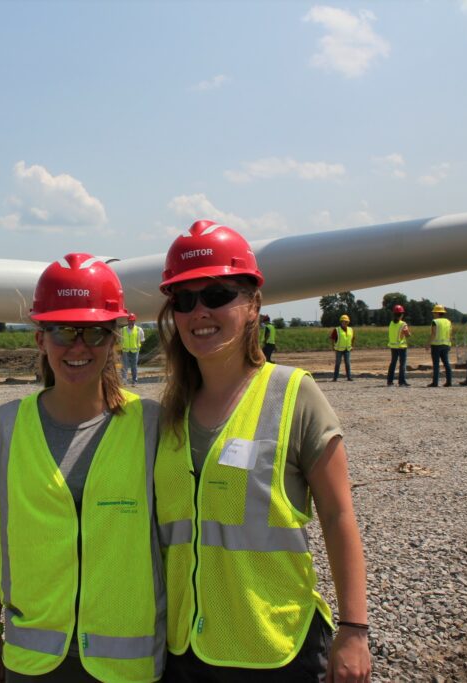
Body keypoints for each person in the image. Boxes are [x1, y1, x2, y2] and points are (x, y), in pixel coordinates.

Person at [154, 220, 371, 683]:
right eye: (185, 300)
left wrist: (354, 629)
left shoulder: (294, 395)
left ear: (253, 304)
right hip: (184, 651)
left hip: (274, 649)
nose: (199, 313)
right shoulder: (167, 414)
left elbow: (338, 517)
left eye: (216, 295)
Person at [0, 253, 165, 683]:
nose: (79, 346)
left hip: (127, 660)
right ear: (40, 338)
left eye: (95, 333)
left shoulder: (152, 424)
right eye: (62, 330)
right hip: (33, 658)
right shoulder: (3, 426)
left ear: (116, 338)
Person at [386, 305, 411, 387]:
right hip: (401, 346)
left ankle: (389, 381)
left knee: (393, 363)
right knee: (402, 364)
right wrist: (408, 333)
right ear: (402, 314)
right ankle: (401, 381)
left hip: (393, 346)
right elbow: (407, 335)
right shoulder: (403, 324)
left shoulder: (391, 323)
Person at [428, 305, 453, 387]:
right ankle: (449, 382)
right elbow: (450, 333)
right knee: (446, 363)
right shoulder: (448, 322)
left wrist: (428, 343)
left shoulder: (435, 321)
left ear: (437, 313)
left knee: (436, 364)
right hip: (446, 344)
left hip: (436, 345)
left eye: (434, 312)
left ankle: (435, 382)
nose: (433, 314)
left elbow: (433, 334)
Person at [120, 313, 146, 386]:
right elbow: (120, 339)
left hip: (135, 351)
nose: (131, 322)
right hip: (125, 350)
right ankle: (124, 380)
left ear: (135, 321)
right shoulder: (123, 330)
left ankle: (134, 381)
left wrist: (137, 347)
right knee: (124, 366)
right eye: (130, 320)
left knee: (134, 367)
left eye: (132, 320)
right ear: (127, 321)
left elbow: (142, 340)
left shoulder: (139, 329)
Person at [330, 314, 354, 381]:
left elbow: (352, 338)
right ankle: (335, 378)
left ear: (348, 322)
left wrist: (352, 346)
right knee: (338, 363)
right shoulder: (337, 330)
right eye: (344, 321)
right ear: (341, 321)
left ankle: (349, 377)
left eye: (346, 321)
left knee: (348, 363)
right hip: (339, 349)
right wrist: (333, 346)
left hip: (347, 349)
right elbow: (332, 338)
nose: (345, 322)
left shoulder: (350, 329)